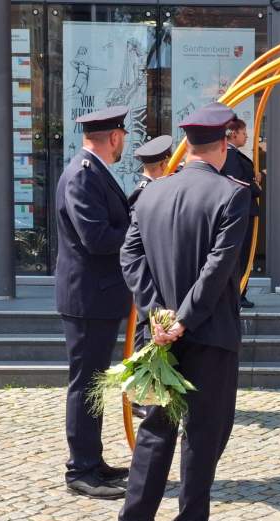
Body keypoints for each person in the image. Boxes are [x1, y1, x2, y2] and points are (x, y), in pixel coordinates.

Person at [117, 102, 250, 521]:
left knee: (156, 426)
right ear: (226, 142)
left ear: (188, 145)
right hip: (209, 335)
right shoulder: (233, 194)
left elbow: (130, 258)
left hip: (161, 333)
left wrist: (159, 315)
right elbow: (218, 270)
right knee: (204, 431)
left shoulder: (151, 193)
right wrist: (183, 319)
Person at [54, 106, 131, 500]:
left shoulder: (91, 171)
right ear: (115, 137)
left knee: (94, 384)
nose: (124, 145)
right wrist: (136, 231)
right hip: (88, 297)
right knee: (85, 384)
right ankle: (80, 469)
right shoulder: (83, 175)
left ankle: (93, 460)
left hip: (96, 296)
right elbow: (97, 239)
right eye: (124, 138)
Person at [126, 135, 173, 420]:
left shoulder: (149, 189)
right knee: (145, 339)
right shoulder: (146, 192)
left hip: (152, 275)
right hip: (149, 277)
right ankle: (140, 398)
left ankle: (148, 395)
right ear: (164, 162)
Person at [221, 118, 261, 309]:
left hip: (243, 210)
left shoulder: (233, 154)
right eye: (244, 132)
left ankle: (239, 291)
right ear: (233, 133)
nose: (246, 136)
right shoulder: (230, 156)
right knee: (241, 254)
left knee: (244, 253)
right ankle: (238, 292)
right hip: (241, 210)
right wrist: (256, 186)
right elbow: (236, 181)